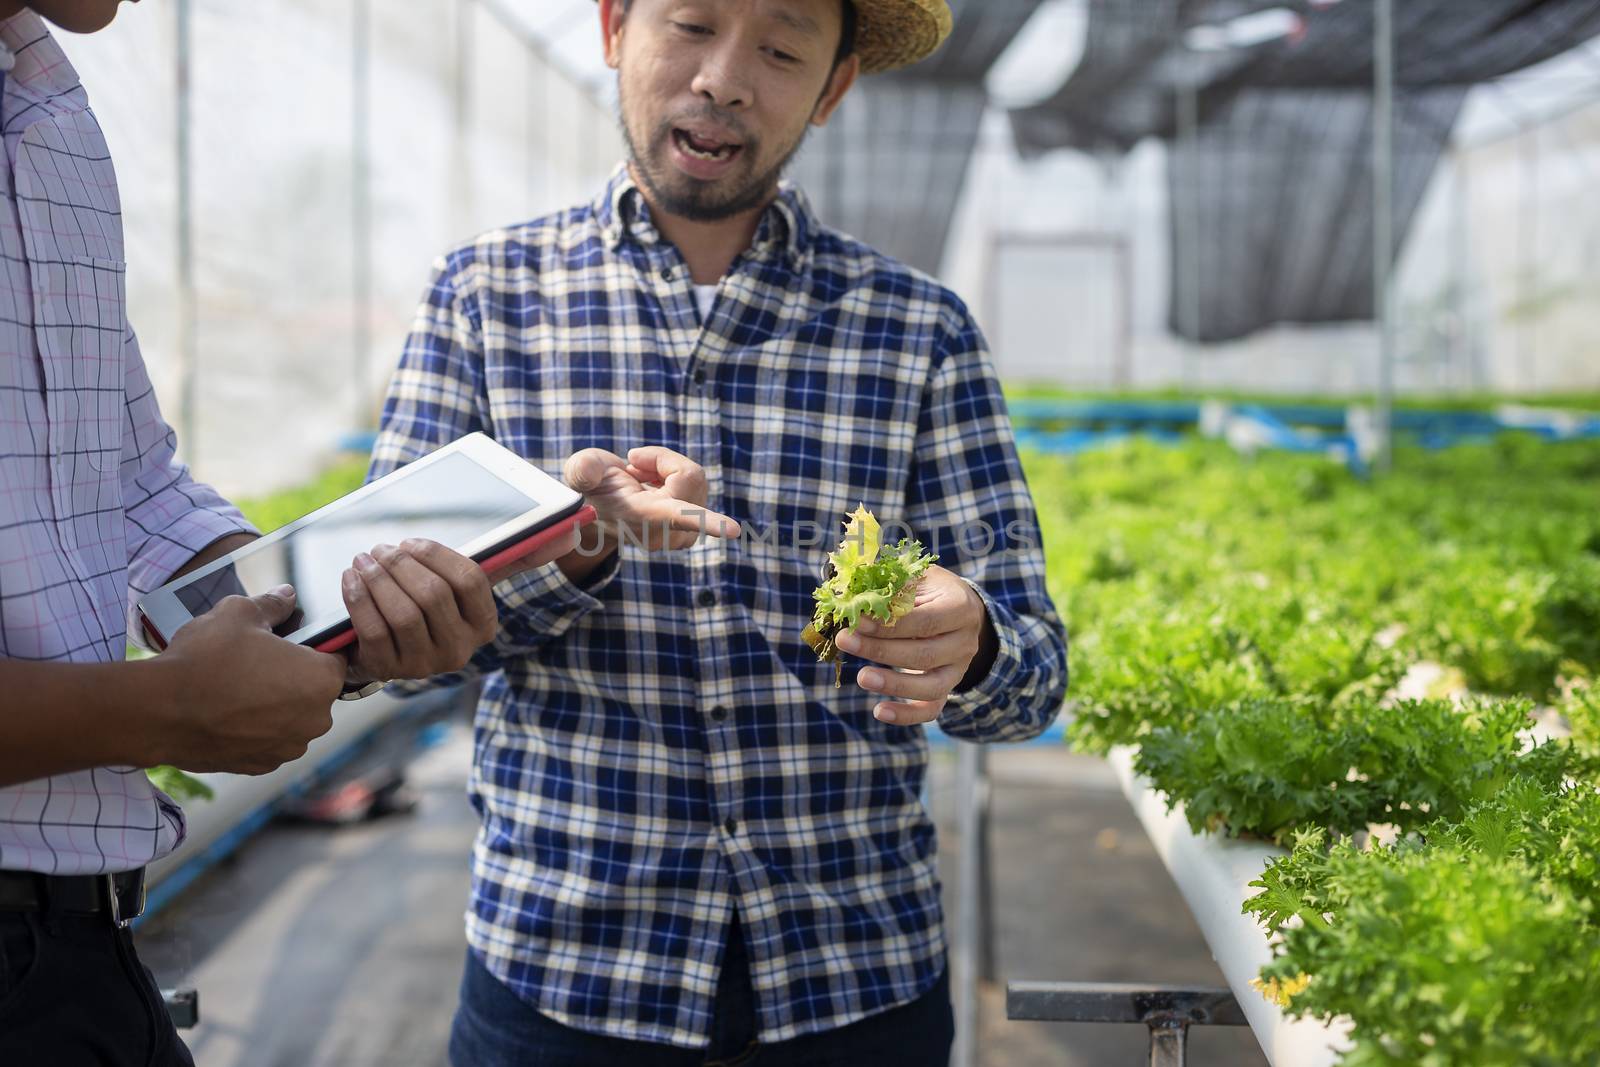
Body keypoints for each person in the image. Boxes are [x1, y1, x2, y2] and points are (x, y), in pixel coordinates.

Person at [369, 0, 1070, 1063]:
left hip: (852, 978)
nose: (724, 78)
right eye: (691, 23)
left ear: (832, 88)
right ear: (614, 27)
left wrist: (968, 640)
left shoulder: (916, 332)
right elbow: (389, 646)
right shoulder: (486, 299)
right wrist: (574, 540)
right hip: (564, 972)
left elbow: (1034, 677)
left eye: (783, 50)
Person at [0, 2, 624, 1063]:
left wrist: (331, 607)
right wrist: (161, 709)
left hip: (78, 939)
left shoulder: (50, 116)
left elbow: (131, 479)